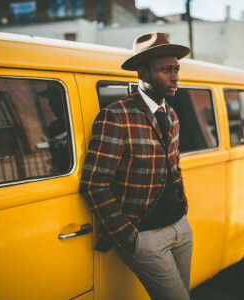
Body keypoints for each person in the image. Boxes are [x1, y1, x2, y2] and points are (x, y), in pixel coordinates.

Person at [80, 32, 193, 299]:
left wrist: (183, 213)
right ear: (143, 72)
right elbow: (94, 184)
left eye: (176, 69)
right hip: (145, 236)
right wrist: (130, 239)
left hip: (180, 227)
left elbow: (172, 168)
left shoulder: (172, 114)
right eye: (166, 70)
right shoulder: (116, 116)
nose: (175, 76)